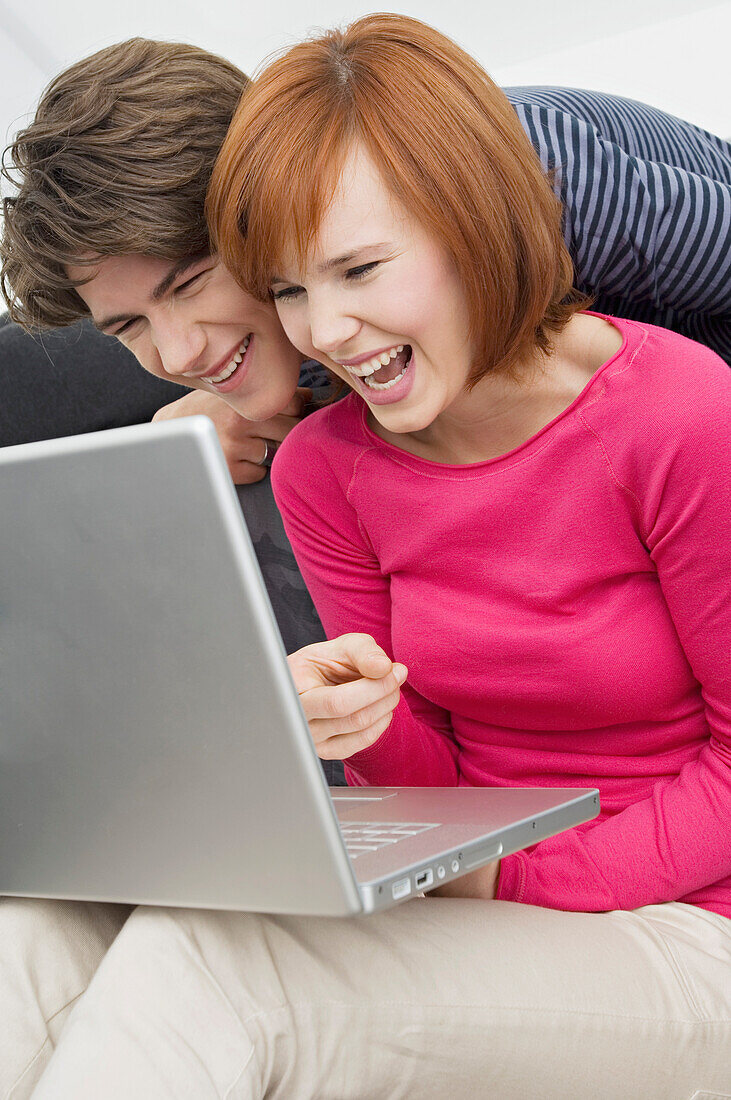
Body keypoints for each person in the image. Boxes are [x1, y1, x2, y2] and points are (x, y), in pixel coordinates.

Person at [2, 24, 731, 1098]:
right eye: (293, 286)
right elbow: (426, 758)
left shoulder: (564, 202)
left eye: (199, 281)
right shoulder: (324, 453)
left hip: (675, 899)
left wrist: (493, 873)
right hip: (496, 864)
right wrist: (362, 729)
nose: (176, 347)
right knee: (37, 935)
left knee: (213, 971)